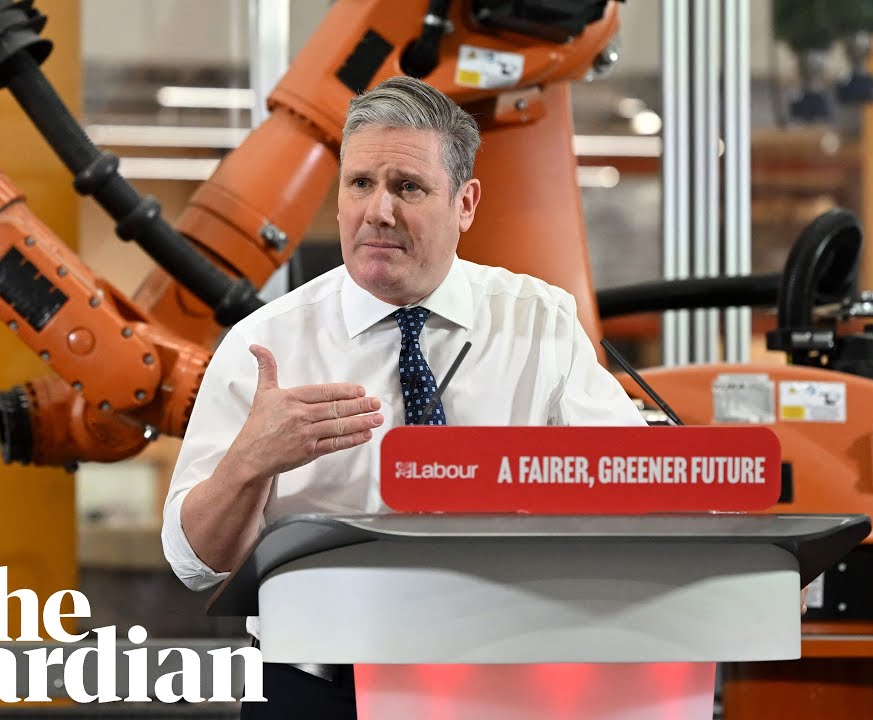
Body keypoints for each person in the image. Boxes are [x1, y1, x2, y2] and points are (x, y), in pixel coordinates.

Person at [161, 75, 647, 719]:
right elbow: (193, 562)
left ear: (466, 203)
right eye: (360, 183)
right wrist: (251, 460)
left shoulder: (539, 323)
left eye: (408, 187)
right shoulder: (266, 345)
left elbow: (638, 491)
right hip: (316, 690)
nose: (378, 211)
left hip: (501, 679)